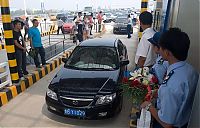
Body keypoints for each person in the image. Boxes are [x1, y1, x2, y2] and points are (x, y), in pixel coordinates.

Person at [141, 28, 199, 128]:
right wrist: (158, 93)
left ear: (167, 53)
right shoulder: (191, 70)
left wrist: (148, 106)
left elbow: (167, 123)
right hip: (185, 121)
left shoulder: (170, 85)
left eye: (161, 48)